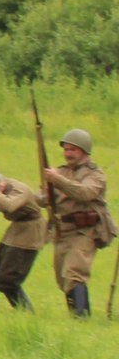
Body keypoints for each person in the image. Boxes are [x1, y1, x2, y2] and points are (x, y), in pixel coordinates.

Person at [41, 128, 111, 317]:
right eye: (66, 149)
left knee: (74, 273)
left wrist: (57, 180)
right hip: (63, 231)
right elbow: (46, 200)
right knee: (62, 278)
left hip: (85, 231)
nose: (68, 153)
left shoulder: (95, 175)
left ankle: (81, 318)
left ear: (84, 151)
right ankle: (74, 316)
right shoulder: (62, 172)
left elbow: (85, 193)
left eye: (73, 149)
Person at [0, 169, 48, 311]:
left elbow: (9, 206)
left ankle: (26, 312)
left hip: (30, 233)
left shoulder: (19, 190)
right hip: (15, 231)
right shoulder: (0, 192)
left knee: (8, 281)